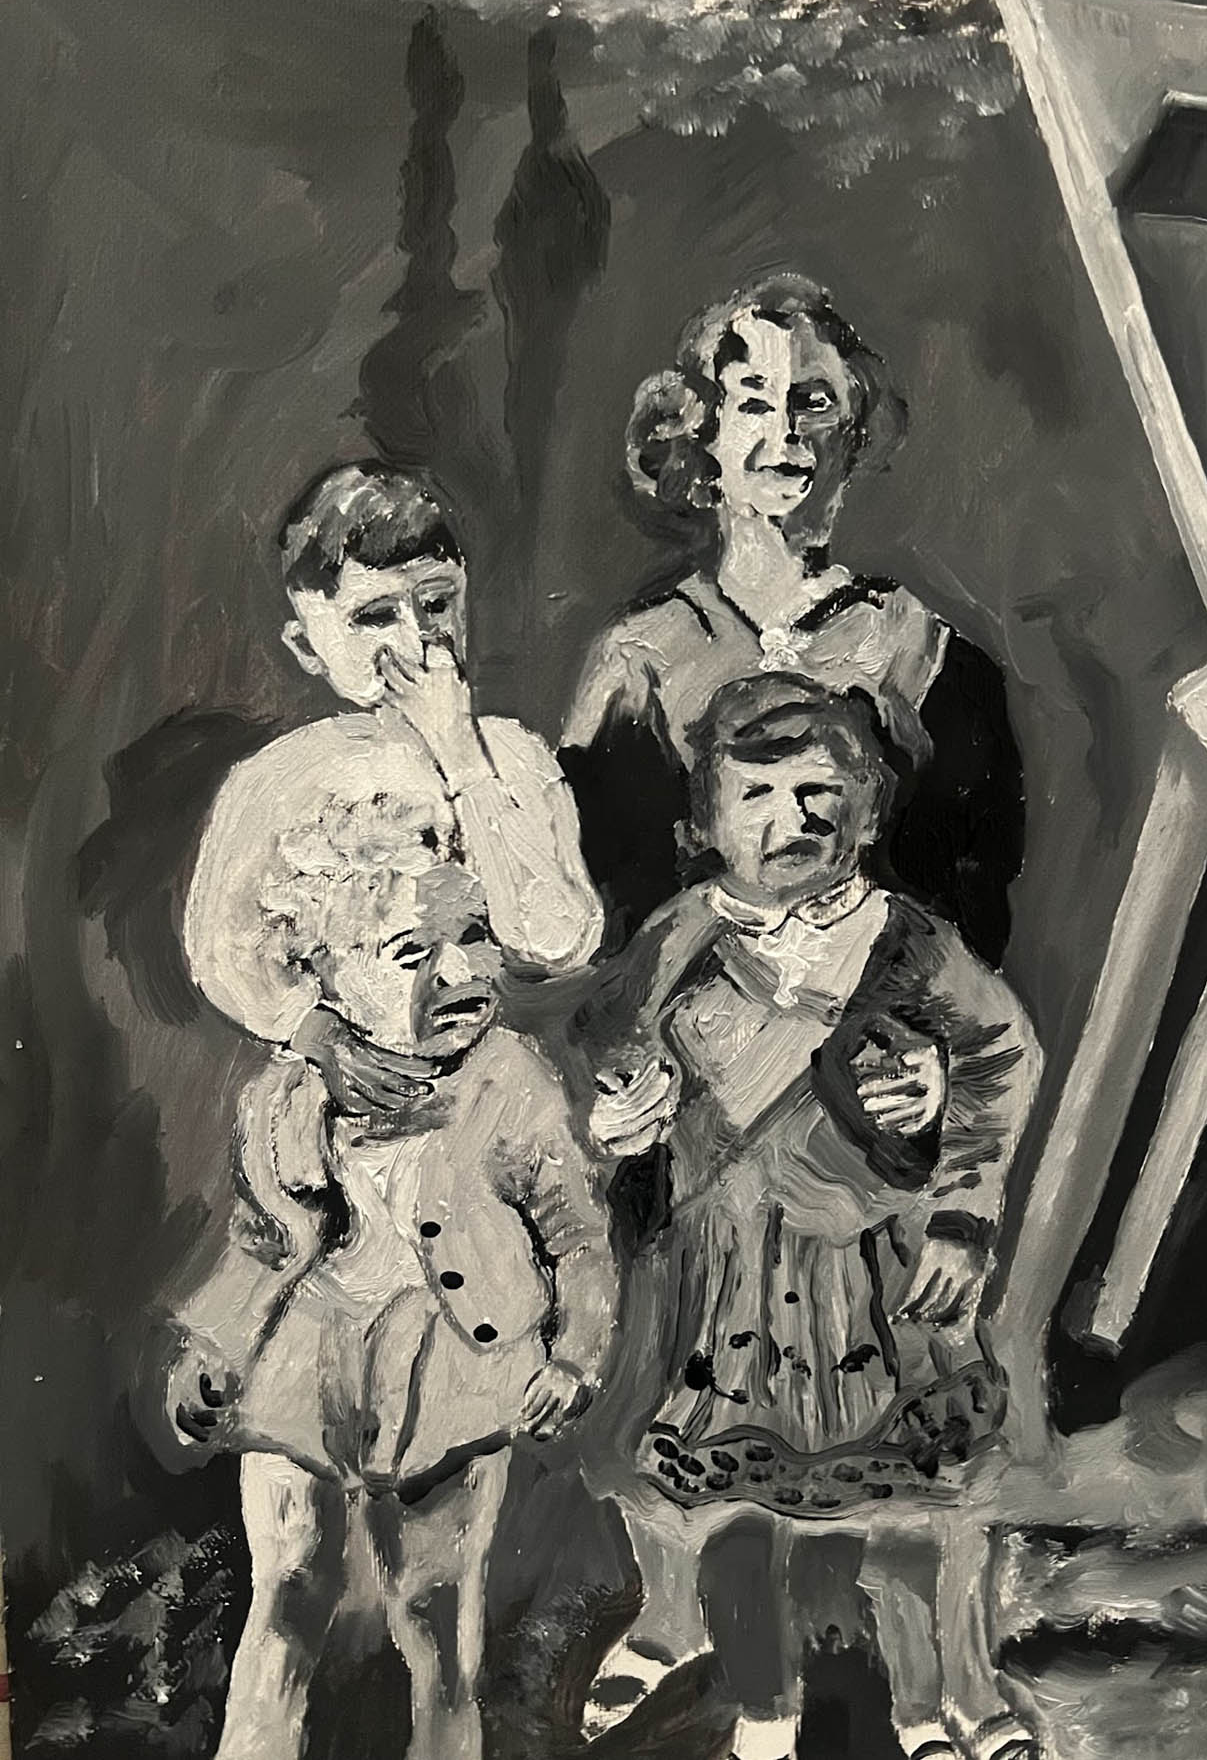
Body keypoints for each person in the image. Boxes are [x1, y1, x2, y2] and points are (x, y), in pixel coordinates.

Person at [576, 675, 1042, 1760]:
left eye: (821, 793)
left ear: (866, 813)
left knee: (914, 1504)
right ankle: (764, 1710)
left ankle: (930, 1704)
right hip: (722, 1283)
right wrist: (620, 1105)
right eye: (760, 795)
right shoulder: (680, 937)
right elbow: (608, 1040)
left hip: (878, 1274)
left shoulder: (908, 941)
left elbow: (998, 1055)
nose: (794, 818)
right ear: (706, 823)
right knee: (735, 1511)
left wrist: (962, 1205)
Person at [166, 795, 617, 1760]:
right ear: (324, 979)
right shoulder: (287, 1095)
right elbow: (260, 1240)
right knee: (289, 1587)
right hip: (304, 1363)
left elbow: (577, 1234)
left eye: (475, 938)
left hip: (455, 1369)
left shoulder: (511, 1080)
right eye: (413, 953)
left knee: (436, 1610)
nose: (460, 972)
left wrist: (576, 1354)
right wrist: (214, 1350)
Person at [560, 272, 1024, 972]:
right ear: (704, 436)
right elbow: (605, 903)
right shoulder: (639, 657)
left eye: (813, 402)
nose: (786, 433)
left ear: (854, 429)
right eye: (753, 402)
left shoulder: (916, 649)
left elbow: (971, 899)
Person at [186, 458, 605, 1107]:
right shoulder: (277, 779)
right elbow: (221, 946)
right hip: (345, 1087)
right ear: (307, 647)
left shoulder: (514, 757)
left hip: (495, 1084)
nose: (418, 639)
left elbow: (557, 938)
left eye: (436, 603)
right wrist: (318, 1035)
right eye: (375, 616)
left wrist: (460, 753)